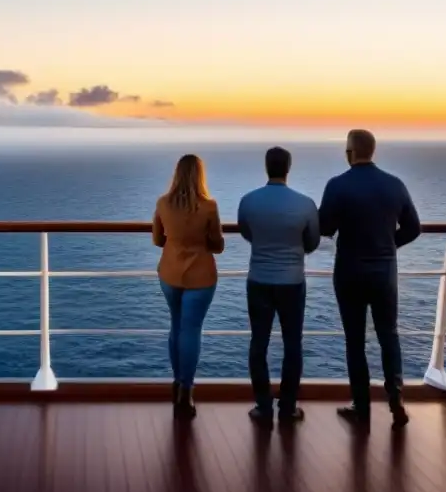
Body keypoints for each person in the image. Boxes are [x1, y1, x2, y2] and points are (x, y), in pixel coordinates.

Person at [319, 129, 421, 429]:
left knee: (355, 341)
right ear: (372, 151)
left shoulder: (338, 185)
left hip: (349, 271)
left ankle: (361, 406)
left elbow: (324, 227)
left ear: (350, 152)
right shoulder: (394, 184)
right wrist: (389, 245)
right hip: (384, 272)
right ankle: (396, 399)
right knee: (389, 335)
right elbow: (413, 228)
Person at [238, 146, 320, 425]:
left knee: (258, 344)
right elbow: (312, 243)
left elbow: (247, 232)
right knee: (292, 344)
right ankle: (287, 407)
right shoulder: (306, 204)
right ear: (288, 167)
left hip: (259, 280)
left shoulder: (248, 201)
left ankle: (262, 407)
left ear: (266, 167)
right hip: (292, 282)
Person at [152, 154, 224, 419]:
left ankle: (176, 381)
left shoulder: (162, 203)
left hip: (170, 273)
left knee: (176, 325)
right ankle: (187, 391)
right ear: (199, 176)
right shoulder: (209, 206)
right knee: (191, 330)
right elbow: (218, 244)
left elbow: (158, 239)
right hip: (201, 276)